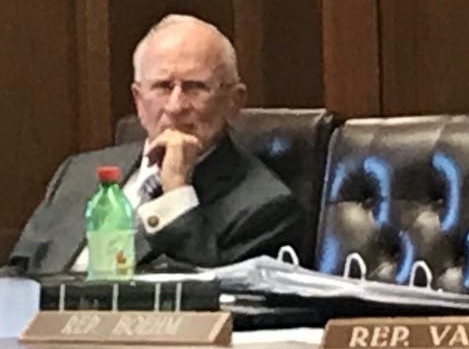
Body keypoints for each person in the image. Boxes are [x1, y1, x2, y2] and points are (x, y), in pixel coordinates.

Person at [11, 14, 303, 273]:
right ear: (139, 100)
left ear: (233, 102)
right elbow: (18, 274)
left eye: (195, 87)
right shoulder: (78, 173)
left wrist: (176, 190)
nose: (175, 106)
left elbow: (209, 299)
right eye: (162, 87)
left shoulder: (265, 207)